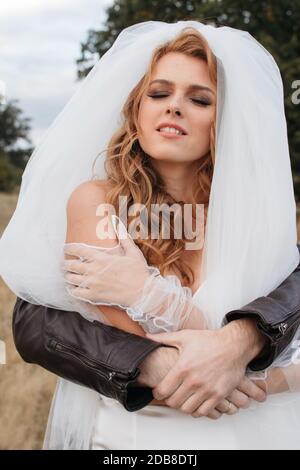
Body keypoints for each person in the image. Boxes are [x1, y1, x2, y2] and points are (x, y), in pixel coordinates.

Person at [1, 20, 300, 449]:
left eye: (199, 99)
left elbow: (291, 337)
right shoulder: (97, 205)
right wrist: (248, 360)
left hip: (259, 432)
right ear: (136, 111)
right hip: (142, 437)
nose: (174, 107)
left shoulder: (252, 216)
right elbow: (155, 362)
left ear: (224, 121)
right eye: (159, 94)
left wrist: (147, 293)